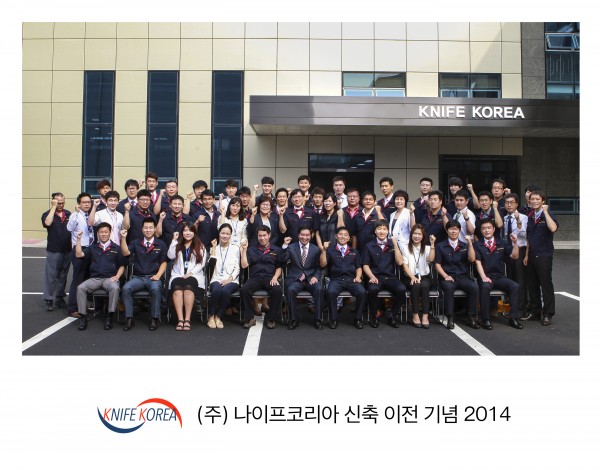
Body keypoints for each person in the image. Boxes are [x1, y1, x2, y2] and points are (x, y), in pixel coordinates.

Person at [73, 222, 127, 331]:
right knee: (80, 288)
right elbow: (79, 254)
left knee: (115, 288)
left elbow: (122, 265)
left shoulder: (116, 248)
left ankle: (109, 317)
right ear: (98, 233)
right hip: (95, 279)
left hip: (110, 279)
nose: (104, 234)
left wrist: (117, 276)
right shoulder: (93, 248)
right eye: (101, 232)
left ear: (110, 233)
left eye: (106, 232)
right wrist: (78, 240)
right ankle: (83, 317)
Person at [473, 219, 523, 330]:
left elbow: (514, 256)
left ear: (494, 229)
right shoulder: (477, 244)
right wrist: (483, 277)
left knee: (515, 286)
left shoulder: (502, 243)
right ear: (481, 231)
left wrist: (515, 243)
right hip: (485, 277)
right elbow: (477, 262)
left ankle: (513, 318)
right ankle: (485, 319)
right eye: (484, 228)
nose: (487, 230)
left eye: (489, 228)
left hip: (499, 277)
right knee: (485, 287)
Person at [119, 218, 168, 331]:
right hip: (138, 278)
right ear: (142, 229)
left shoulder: (161, 244)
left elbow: (164, 262)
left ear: (155, 229)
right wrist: (123, 238)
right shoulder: (136, 242)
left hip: (154, 277)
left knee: (155, 289)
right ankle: (129, 318)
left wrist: (158, 276)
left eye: (150, 228)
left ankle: (155, 318)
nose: (148, 230)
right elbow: (125, 253)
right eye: (146, 228)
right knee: (126, 288)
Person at [361, 220, 406, 328]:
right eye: (379, 229)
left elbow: (400, 262)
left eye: (384, 229)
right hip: (375, 277)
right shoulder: (369, 246)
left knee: (401, 289)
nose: (382, 231)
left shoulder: (393, 244)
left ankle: (392, 315)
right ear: (375, 231)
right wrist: (372, 277)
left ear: (388, 231)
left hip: (390, 277)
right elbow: (365, 265)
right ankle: (374, 317)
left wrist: (395, 244)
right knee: (372, 290)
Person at [434, 220, 478, 330]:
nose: (453, 231)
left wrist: (470, 244)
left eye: (456, 229)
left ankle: (471, 317)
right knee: (448, 288)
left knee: (474, 287)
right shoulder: (440, 246)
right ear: (447, 230)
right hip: (448, 276)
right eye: (451, 229)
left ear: (459, 231)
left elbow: (472, 259)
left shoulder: (465, 245)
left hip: (462, 277)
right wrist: (445, 276)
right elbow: (437, 264)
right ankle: (450, 317)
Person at [320, 226, 366, 329]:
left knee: (362, 292)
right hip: (336, 279)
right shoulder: (330, 250)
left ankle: (358, 319)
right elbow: (323, 264)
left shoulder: (354, 251)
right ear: (336, 236)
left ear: (349, 238)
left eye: (345, 235)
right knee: (331, 292)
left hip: (351, 279)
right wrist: (324, 250)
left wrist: (358, 277)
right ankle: (333, 319)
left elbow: (358, 267)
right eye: (340, 234)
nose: (343, 237)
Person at [240, 226, 285, 329]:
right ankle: (250, 318)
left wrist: (275, 278)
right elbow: (244, 265)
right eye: (260, 236)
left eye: (264, 235)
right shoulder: (251, 249)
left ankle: (271, 319)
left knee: (277, 290)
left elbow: (279, 267)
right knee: (244, 289)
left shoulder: (276, 250)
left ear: (269, 235)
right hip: (255, 278)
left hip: (270, 278)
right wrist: (244, 250)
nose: (262, 238)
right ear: (257, 236)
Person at [524, 190, 559, 326]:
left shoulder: (548, 215)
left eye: (537, 199)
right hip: (532, 255)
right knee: (532, 285)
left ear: (543, 201)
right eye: (532, 199)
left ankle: (548, 313)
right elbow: (528, 238)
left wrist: (545, 212)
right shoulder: (530, 216)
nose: (534, 201)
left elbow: (553, 228)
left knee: (545, 284)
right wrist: (526, 255)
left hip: (544, 255)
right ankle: (535, 311)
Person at [168, 223, 206, 331]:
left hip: (194, 275)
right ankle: (180, 320)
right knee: (177, 289)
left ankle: (187, 319)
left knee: (188, 288)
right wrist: (174, 240)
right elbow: (170, 256)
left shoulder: (200, 246)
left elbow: (201, 263)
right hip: (178, 274)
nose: (188, 233)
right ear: (182, 232)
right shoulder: (178, 244)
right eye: (185, 230)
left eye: (190, 231)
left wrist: (191, 273)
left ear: (194, 233)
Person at [284, 226, 323, 330]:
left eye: (307, 235)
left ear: (311, 236)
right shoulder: (291, 247)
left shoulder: (316, 249)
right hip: (296, 279)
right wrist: (285, 246)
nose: (304, 237)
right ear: (298, 235)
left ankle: (318, 319)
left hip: (311, 279)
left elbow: (319, 267)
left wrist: (316, 276)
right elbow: (282, 260)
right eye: (302, 235)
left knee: (319, 289)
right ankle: (293, 320)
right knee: (290, 290)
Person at [399, 224, 436, 329]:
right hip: (409, 276)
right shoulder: (405, 248)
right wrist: (412, 277)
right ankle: (415, 315)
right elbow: (405, 266)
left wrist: (432, 244)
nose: (417, 236)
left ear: (423, 236)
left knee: (424, 286)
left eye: (419, 234)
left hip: (424, 276)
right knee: (415, 285)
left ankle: (425, 315)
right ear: (411, 235)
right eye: (415, 234)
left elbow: (430, 259)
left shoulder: (427, 248)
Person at [41, 192, 71, 311]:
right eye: (58, 203)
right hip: (54, 250)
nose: (61, 205)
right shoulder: (47, 214)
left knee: (63, 276)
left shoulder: (68, 214)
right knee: (51, 276)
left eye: (63, 203)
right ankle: (49, 298)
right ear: (53, 202)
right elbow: (47, 223)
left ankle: (59, 297)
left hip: (67, 250)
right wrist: (53, 207)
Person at [502, 193, 530, 320]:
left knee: (520, 280)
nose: (509, 205)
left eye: (512, 202)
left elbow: (523, 234)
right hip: (508, 250)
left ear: (517, 204)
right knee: (511, 278)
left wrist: (518, 220)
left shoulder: (523, 217)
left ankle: (521, 308)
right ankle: (512, 308)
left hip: (520, 249)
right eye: (507, 202)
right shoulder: (504, 218)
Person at [66, 192, 94, 317]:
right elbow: (69, 228)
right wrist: (76, 213)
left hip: (90, 249)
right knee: (78, 278)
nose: (87, 204)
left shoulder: (91, 215)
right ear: (79, 204)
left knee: (87, 278)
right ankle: (73, 308)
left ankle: (84, 305)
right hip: (79, 248)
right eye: (84, 202)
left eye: (88, 202)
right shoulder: (75, 215)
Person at [207, 224, 241, 329]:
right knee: (217, 289)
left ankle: (218, 316)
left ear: (231, 235)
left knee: (225, 291)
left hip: (232, 280)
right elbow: (211, 265)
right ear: (219, 234)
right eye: (223, 233)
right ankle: (211, 316)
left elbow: (237, 268)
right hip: (216, 279)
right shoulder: (214, 248)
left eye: (227, 234)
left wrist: (229, 280)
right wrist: (213, 247)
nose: (225, 236)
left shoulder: (235, 249)